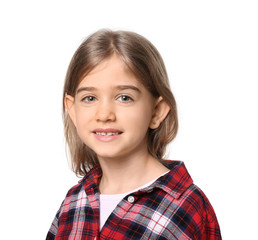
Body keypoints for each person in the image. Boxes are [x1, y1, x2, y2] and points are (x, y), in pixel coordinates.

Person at [46, 29, 221, 239]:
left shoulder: (185, 206)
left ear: (156, 112)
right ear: (72, 109)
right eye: (90, 98)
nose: (104, 114)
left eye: (124, 98)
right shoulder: (73, 203)